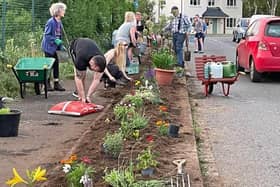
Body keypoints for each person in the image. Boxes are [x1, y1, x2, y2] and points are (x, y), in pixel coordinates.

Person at [69, 38, 106, 103]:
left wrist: (88, 96)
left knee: (84, 75)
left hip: (88, 47)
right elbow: (78, 78)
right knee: (81, 76)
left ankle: (84, 95)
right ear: (91, 63)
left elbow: (97, 79)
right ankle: (80, 95)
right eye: (94, 69)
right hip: (75, 46)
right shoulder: (80, 58)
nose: (94, 71)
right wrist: (83, 97)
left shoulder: (102, 60)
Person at [41, 2, 67, 91]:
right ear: (58, 11)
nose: (64, 12)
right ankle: (47, 84)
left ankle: (56, 83)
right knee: (48, 66)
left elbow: (59, 35)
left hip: (55, 48)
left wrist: (60, 45)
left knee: (56, 65)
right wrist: (55, 40)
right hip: (49, 48)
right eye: (63, 10)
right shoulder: (51, 22)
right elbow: (47, 36)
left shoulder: (59, 22)